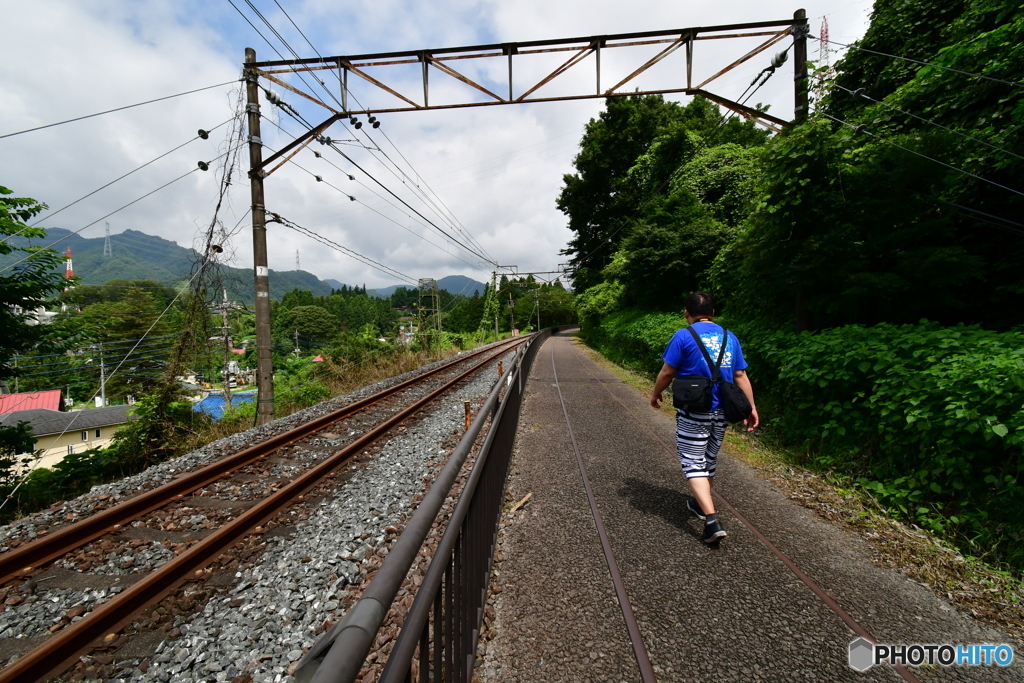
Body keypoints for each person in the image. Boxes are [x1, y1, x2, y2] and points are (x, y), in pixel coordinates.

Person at [650, 291, 758, 543]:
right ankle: (700, 505)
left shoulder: (683, 335)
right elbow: (740, 375)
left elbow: (667, 372)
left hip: (694, 409)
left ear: (687, 314)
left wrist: (655, 394)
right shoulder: (729, 337)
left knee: (692, 461)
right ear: (713, 313)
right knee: (708, 458)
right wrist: (751, 406)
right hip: (723, 410)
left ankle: (711, 520)